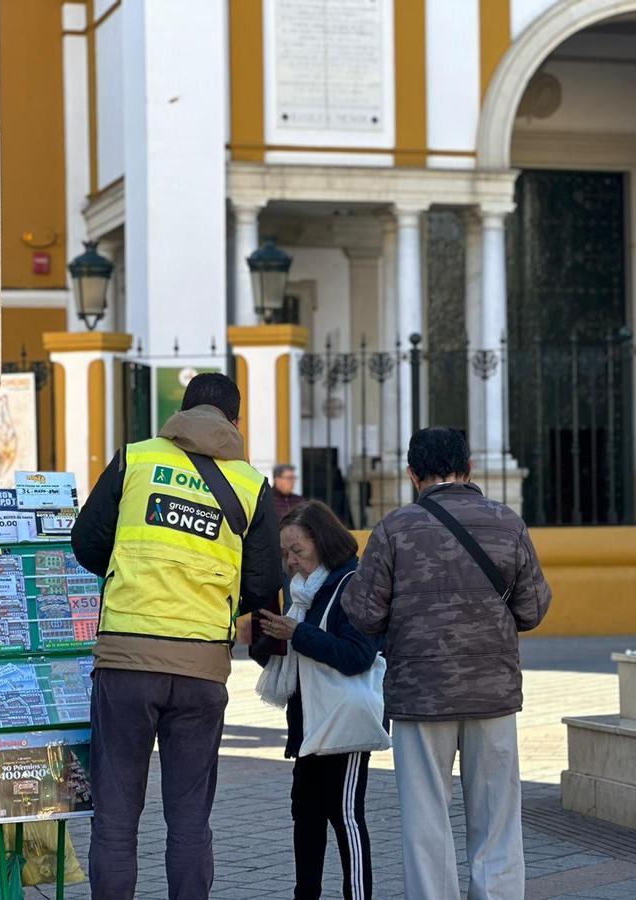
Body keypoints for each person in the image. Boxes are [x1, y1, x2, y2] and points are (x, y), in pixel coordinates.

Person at [72, 373, 281, 900]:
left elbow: (87, 542)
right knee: (190, 821)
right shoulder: (252, 486)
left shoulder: (134, 459)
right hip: (201, 672)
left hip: (125, 662)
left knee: (116, 820)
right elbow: (262, 585)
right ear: (234, 422)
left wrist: (125, 573)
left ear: (182, 413)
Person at [342, 427, 552, 900]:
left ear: (412, 473)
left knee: (426, 818)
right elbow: (533, 609)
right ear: (470, 468)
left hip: (420, 694)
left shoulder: (394, 529)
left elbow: (364, 614)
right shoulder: (507, 523)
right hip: (492, 694)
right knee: (497, 816)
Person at [250, 500, 379, 900]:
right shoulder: (302, 592)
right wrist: (264, 638)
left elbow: (358, 655)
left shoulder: (352, 583)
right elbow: (291, 653)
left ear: (322, 542)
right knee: (305, 815)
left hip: (344, 723)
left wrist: (297, 634)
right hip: (308, 722)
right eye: (285, 552)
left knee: (345, 817)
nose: (290, 561)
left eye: (298, 551)